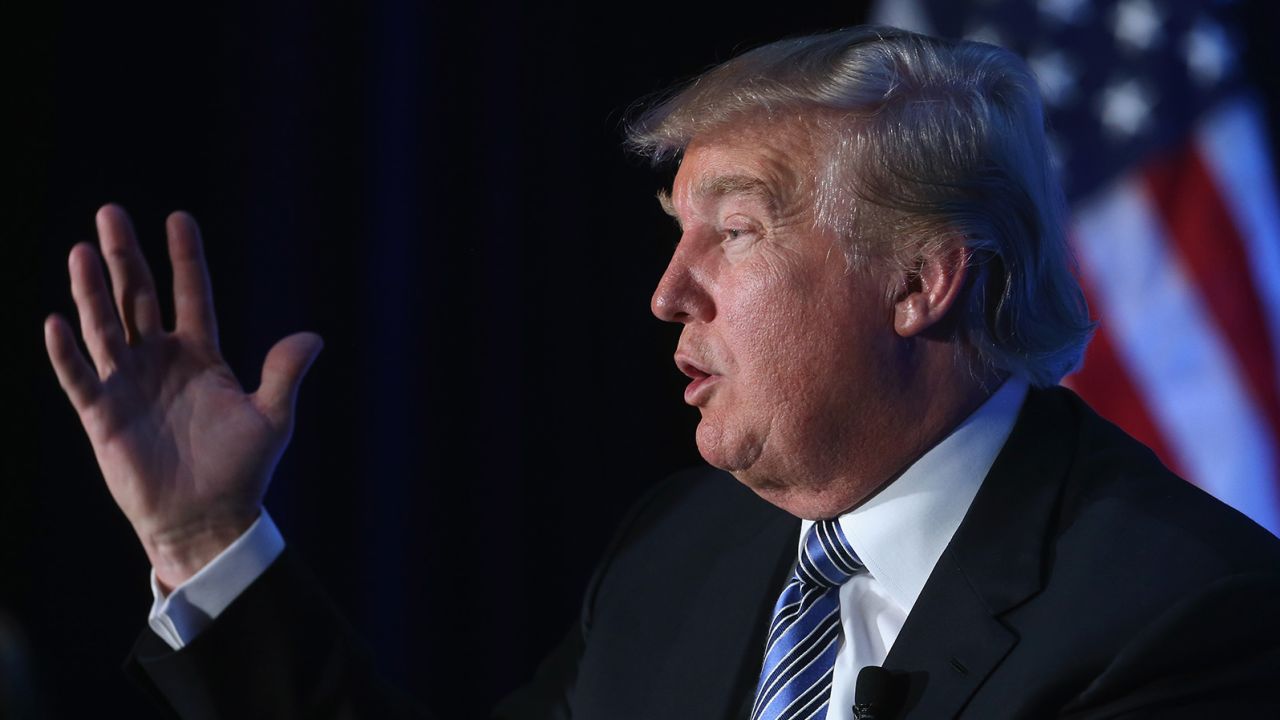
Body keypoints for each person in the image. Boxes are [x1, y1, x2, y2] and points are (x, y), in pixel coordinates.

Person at [44, 25, 1280, 719]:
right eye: (671, 235)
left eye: (732, 233)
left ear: (919, 282)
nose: (664, 292)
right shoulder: (684, 552)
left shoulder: (1182, 619)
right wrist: (211, 533)